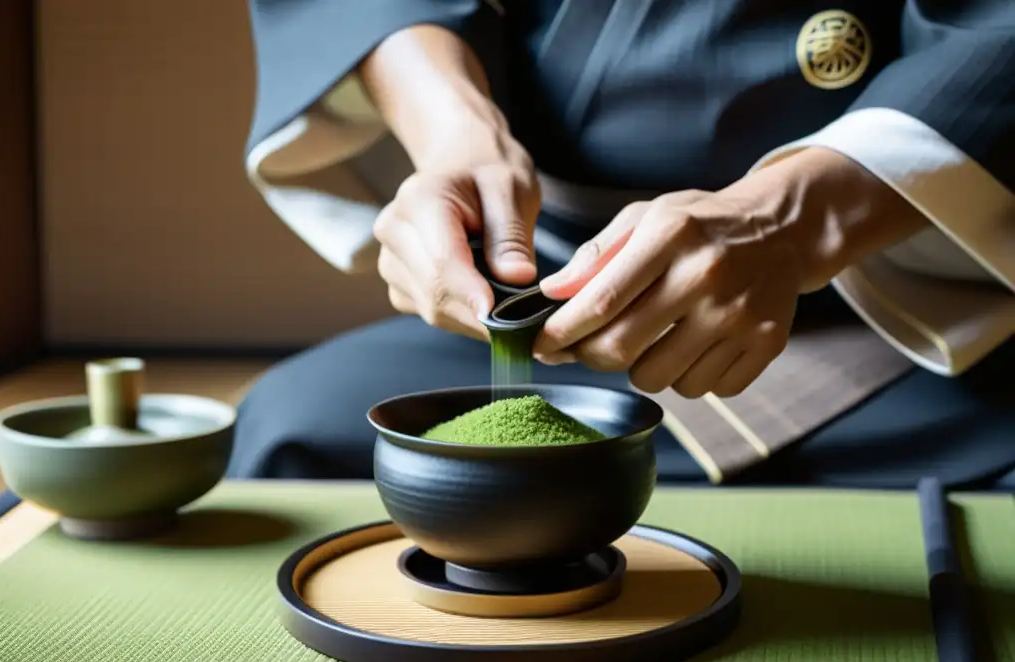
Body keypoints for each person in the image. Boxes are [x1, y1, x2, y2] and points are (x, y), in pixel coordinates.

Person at [230, 0, 1015, 489]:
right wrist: (456, 133)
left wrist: (790, 218)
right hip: (565, 300)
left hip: (922, 295)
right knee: (289, 432)